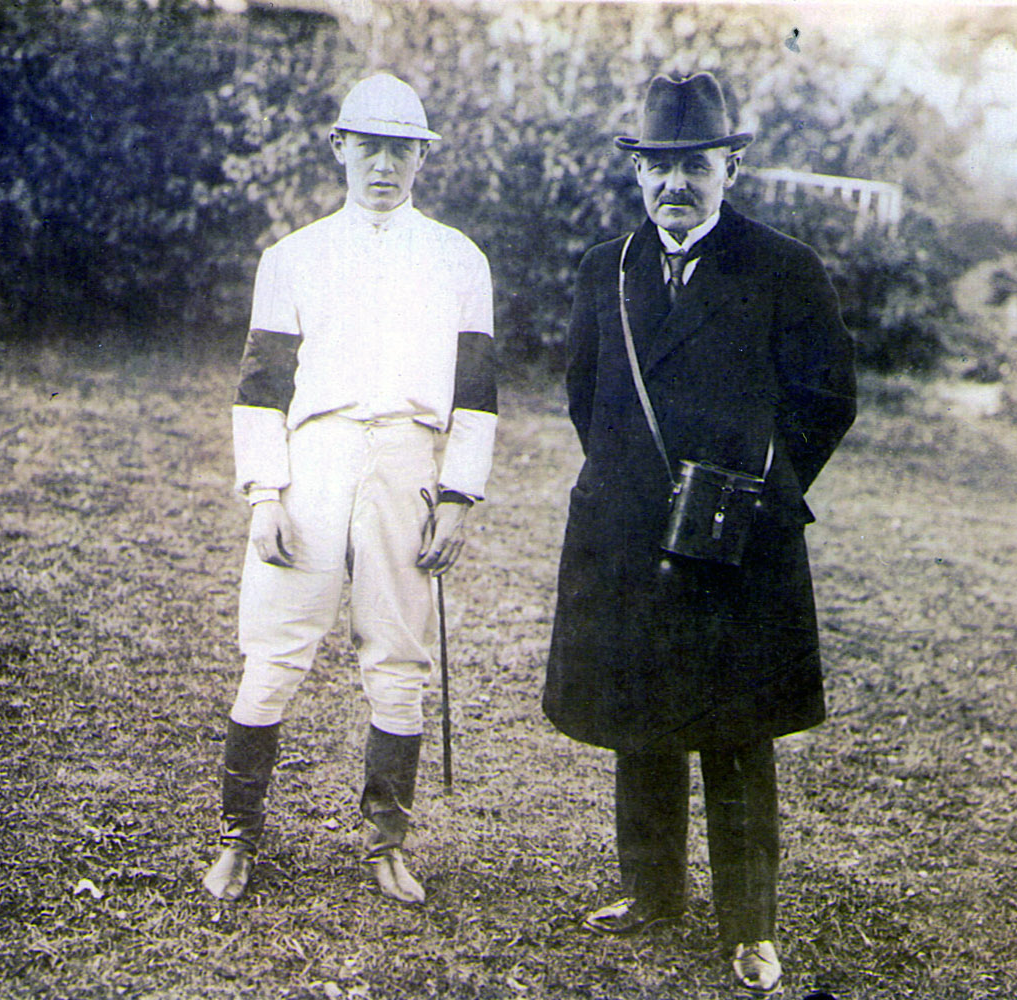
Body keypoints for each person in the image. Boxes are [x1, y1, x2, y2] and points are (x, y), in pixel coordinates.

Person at [543, 72, 856, 994]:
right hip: (631, 534)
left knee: (734, 729)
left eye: (694, 166)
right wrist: (631, 489)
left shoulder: (783, 267)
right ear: (635, 171)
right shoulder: (607, 265)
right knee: (640, 714)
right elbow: (582, 392)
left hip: (739, 543)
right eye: (657, 168)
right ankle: (650, 892)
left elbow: (826, 400)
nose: (674, 186)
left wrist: (756, 495)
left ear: (731, 164)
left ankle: (749, 926)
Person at [204, 72, 497, 907]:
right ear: (339, 147)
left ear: (422, 157)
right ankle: (238, 837)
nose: (383, 166)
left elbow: (476, 394)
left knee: (399, 656)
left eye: (400, 149)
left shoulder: (457, 259)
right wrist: (265, 493)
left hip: (408, 460)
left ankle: (385, 845)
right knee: (274, 647)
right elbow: (260, 388)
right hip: (315, 459)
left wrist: (457, 496)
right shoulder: (292, 256)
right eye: (367, 146)